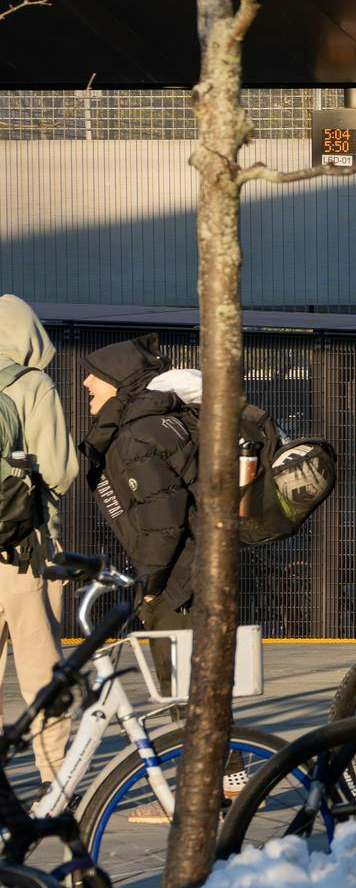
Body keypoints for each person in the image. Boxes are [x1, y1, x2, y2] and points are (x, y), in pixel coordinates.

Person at [78, 337, 204, 671]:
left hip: (179, 584)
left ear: (120, 382)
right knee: (191, 689)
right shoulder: (151, 423)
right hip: (190, 575)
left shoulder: (137, 436)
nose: (86, 382)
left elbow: (163, 520)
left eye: (97, 375)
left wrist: (151, 587)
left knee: (182, 688)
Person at [0, 295, 81, 781]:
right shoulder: (32, 383)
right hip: (25, 548)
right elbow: (59, 469)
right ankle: (55, 780)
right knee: (42, 673)